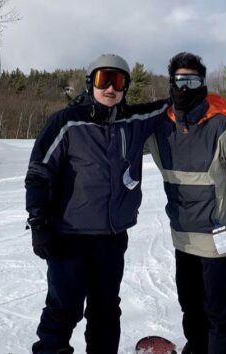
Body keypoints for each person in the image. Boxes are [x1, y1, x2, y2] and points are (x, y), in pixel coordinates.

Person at [25, 53, 167, 354]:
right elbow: (39, 173)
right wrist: (38, 222)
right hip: (69, 238)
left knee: (105, 310)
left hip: (112, 239)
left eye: (118, 81)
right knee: (63, 310)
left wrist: (197, 95)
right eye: (104, 80)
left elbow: (171, 105)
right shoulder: (66, 122)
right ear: (91, 83)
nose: (111, 88)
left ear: (125, 86)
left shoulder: (133, 121)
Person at [145, 52, 226, 353]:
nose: (185, 87)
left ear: (202, 84)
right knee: (191, 305)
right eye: (180, 80)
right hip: (182, 238)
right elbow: (121, 137)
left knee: (218, 309)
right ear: (171, 84)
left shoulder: (223, 125)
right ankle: (197, 348)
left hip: (217, 238)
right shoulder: (160, 127)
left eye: (192, 80)